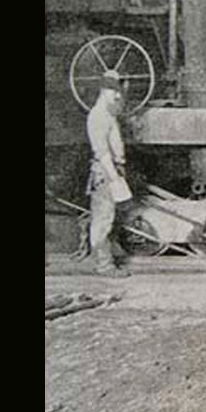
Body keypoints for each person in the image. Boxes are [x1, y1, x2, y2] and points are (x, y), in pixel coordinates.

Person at [87, 70, 133, 278]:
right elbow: (102, 152)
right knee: (103, 218)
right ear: (104, 90)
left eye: (119, 91)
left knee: (111, 215)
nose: (118, 95)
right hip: (105, 172)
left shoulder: (108, 114)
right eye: (114, 91)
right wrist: (114, 177)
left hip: (113, 169)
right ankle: (104, 266)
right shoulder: (98, 116)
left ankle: (108, 256)